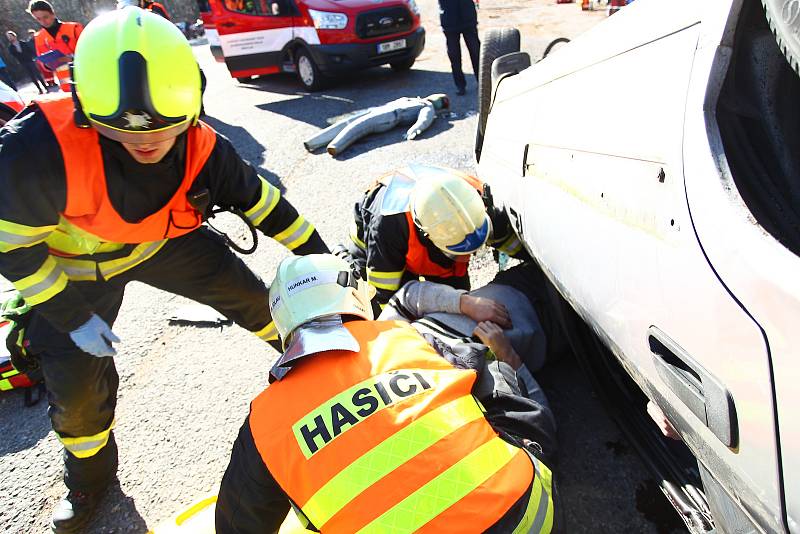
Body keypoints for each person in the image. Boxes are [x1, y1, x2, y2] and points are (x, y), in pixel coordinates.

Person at [0, 8, 328, 532]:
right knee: (77, 392)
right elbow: (12, 248)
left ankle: (323, 371)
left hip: (163, 244)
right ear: (86, 108)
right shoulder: (35, 147)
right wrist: (72, 319)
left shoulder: (203, 145)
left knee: (255, 303)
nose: (147, 144)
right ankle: (89, 481)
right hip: (77, 273)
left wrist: (323, 263)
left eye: (166, 133)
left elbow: (267, 207)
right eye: (124, 136)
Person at [215, 253, 558, 533]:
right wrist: (506, 361)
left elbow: (236, 527)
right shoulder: (406, 338)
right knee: (491, 375)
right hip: (531, 519)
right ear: (353, 294)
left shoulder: (265, 423)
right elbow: (531, 420)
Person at [346, 164, 529, 309]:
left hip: (423, 244)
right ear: (427, 235)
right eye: (458, 251)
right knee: (370, 302)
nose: (467, 257)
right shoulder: (388, 225)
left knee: (457, 300)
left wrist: (532, 261)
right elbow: (384, 293)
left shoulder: (473, 200)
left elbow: (507, 239)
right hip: (374, 248)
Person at [303, 94, 451, 156]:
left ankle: (336, 146)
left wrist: (415, 130)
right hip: (382, 110)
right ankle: (313, 142)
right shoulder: (416, 99)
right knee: (346, 123)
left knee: (358, 126)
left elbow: (424, 120)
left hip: (391, 116)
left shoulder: (428, 107)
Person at [27, 0, 83, 91]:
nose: (43, 21)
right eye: (38, 19)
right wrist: (48, 65)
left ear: (52, 13)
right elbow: (43, 64)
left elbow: (90, 52)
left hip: (85, 77)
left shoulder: (74, 28)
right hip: (67, 85)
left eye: (45, 17)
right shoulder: (39, 37)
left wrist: (71, 58)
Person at [438, 0, 480, 96]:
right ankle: (460, 85)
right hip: (449, 17)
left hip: (467, 15)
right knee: (454, 55)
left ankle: (482, 80)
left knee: (476, 51)